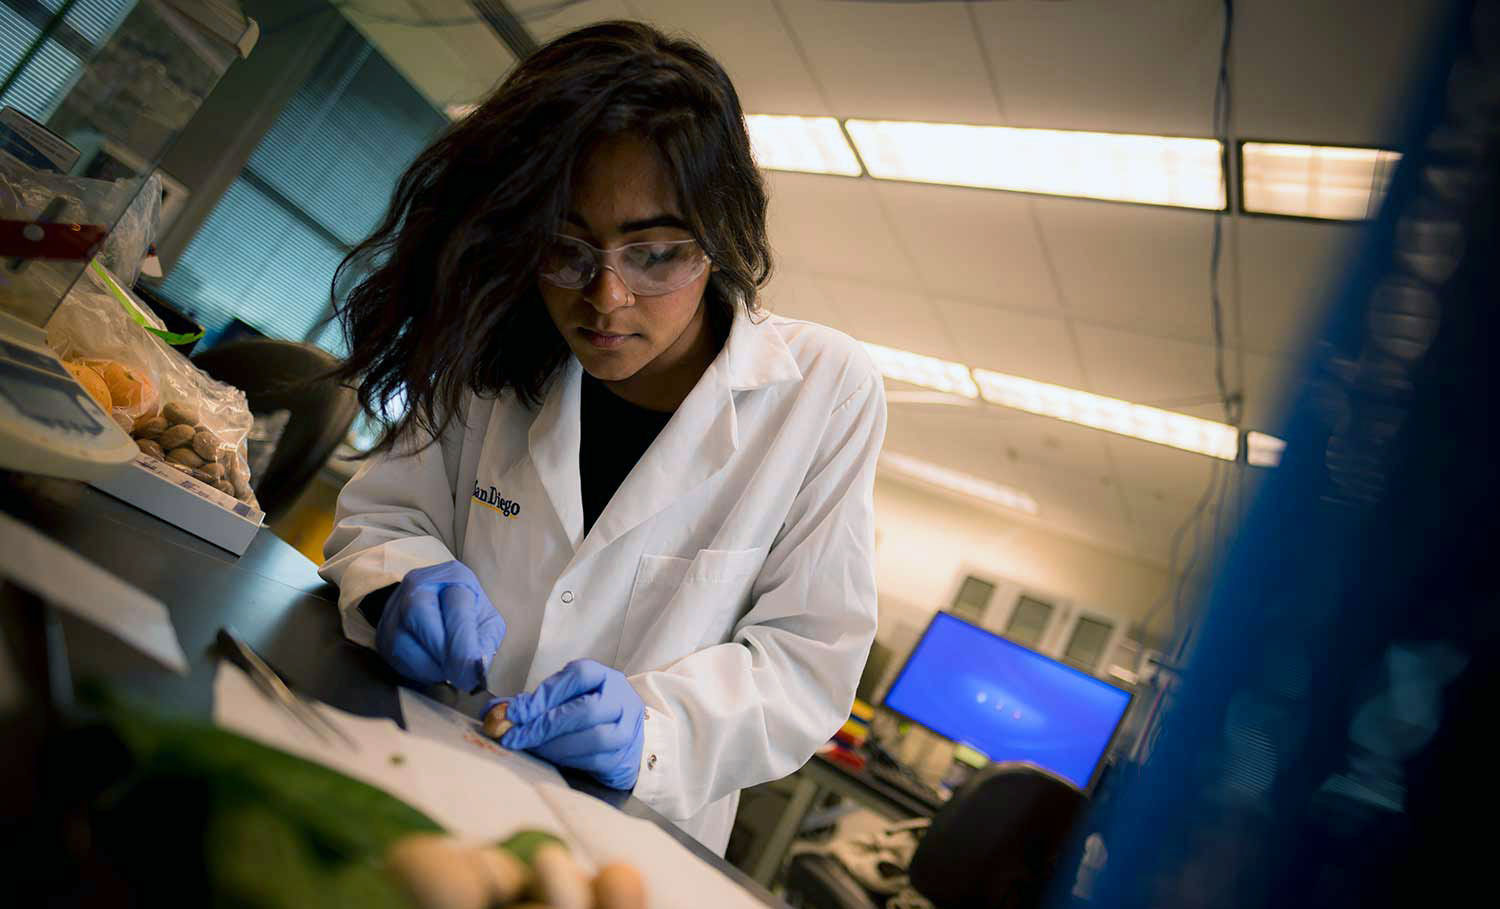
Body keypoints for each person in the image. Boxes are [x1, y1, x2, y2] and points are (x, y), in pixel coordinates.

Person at [318, 21, 885, 854]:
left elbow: (806, 660)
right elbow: (386, 517)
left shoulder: (824, 392)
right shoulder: (501, 341)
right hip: (416, 763)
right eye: (567, 249)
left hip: (622, 843)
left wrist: (650, 729)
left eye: (654, 253)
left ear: (720, 237)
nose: (607, 298)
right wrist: (400, 582)